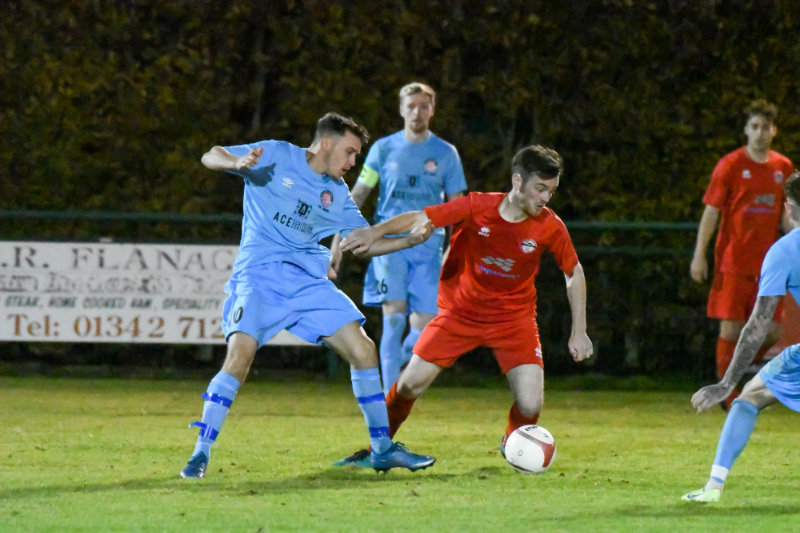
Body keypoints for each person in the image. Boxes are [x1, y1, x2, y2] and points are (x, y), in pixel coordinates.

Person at [179, 112, 436, 478]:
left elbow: (363, 243)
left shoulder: (337, 192)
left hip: (308, 284)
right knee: (240, 356)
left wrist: (409, 241)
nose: (352, 162)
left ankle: (381, 449)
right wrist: (236, 162)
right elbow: (211, 154)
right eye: (350, 152)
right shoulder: (275, 155)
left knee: (364, 349)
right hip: (260, 277)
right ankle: (200, 453)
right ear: (326, 143)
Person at [334, 144, 593, 467]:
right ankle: (378, 450)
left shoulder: (550, 226)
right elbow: (421, 216)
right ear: (517, 181)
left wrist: (579, 330)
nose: (545, 198)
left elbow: (574, 272)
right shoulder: (477, 206)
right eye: (540, 188)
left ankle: (512, 442)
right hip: (460, 314)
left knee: (530, 405)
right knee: (410, 384)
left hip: (514, 321)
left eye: (551, 192)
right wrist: (375, 232)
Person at [332, 82, 467, 395]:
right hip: (389, 246)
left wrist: (455, 250)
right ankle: (389, 400)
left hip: (429, 246)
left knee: (427, 325)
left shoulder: (446, 154)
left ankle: (399, 364)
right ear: (401, 109)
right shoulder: (383, 149)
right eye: (411, 106)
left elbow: (458, 208)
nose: (417, 112)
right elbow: (358, 195)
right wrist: (337, 242)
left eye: (423, 106)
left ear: (432, 110)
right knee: (393, 319)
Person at [682, 172, 800, 503]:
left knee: (749, 397)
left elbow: (758, 324)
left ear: (789, 208)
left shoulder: (784, 251)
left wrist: (726, 382)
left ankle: (713, 487)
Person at [690, 99, 794, 409]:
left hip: (769, 265)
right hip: (733, 262)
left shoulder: (783, 167)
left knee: (772, 330)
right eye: (755, 127)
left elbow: (787, 217)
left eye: (766, 127)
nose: (760, 132)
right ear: (746, 130)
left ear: (774, 131)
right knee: (732, 328)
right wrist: (699, 254)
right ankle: (727, 394)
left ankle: (733, 377)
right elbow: (711, 212)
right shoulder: (731, 165)